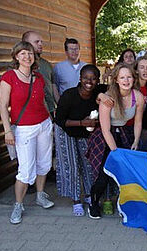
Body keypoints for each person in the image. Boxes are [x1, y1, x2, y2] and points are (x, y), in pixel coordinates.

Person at [0, 41, 54, 224]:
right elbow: (2, 107)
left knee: (44, 163)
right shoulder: (9, 77)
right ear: (16, 56)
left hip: (43, 124)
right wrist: (8, 131)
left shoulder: (38, 77)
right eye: (22, 53)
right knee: (25, 170)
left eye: (29, 53)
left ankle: (40, 195)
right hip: (23, 129)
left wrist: (50, 121)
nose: (27, 57)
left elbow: (43, 101)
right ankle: (18, 204)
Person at [87, 63, 145, 219]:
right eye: (122, 77)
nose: (126, 80)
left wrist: (136, 141)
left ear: (133, 78)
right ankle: (93, 203)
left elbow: (138, 122)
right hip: (106, 136)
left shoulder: (138, 96)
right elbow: (105, 130)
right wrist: (115, 152)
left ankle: (126, 204)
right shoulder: (108, 98)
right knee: (103, 173)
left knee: (128, 173)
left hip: (124, 133)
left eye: (129, 77)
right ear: (116, 80)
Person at [54, 64, 106, 216]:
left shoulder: (99, 91)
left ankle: (90, 195)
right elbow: (60, 120)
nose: (89, 81)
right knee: (71, 165)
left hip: (84, 133)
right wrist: (82, 123)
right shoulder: (69, 95)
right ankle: (76, 200)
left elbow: (114, 88)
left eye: (93, 78)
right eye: (85, 78)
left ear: (98, 80)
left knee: (88, 164)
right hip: (66, 130)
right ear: (80, 79)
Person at [22, 31, 59, 117]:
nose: (40, 44)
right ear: (26, 44)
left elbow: (53, 86)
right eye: (36, 42)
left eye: (41, 42)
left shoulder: (47, 64)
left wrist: (59, 107)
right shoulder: (17, 66)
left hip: (50, 110)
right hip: (29, 113)